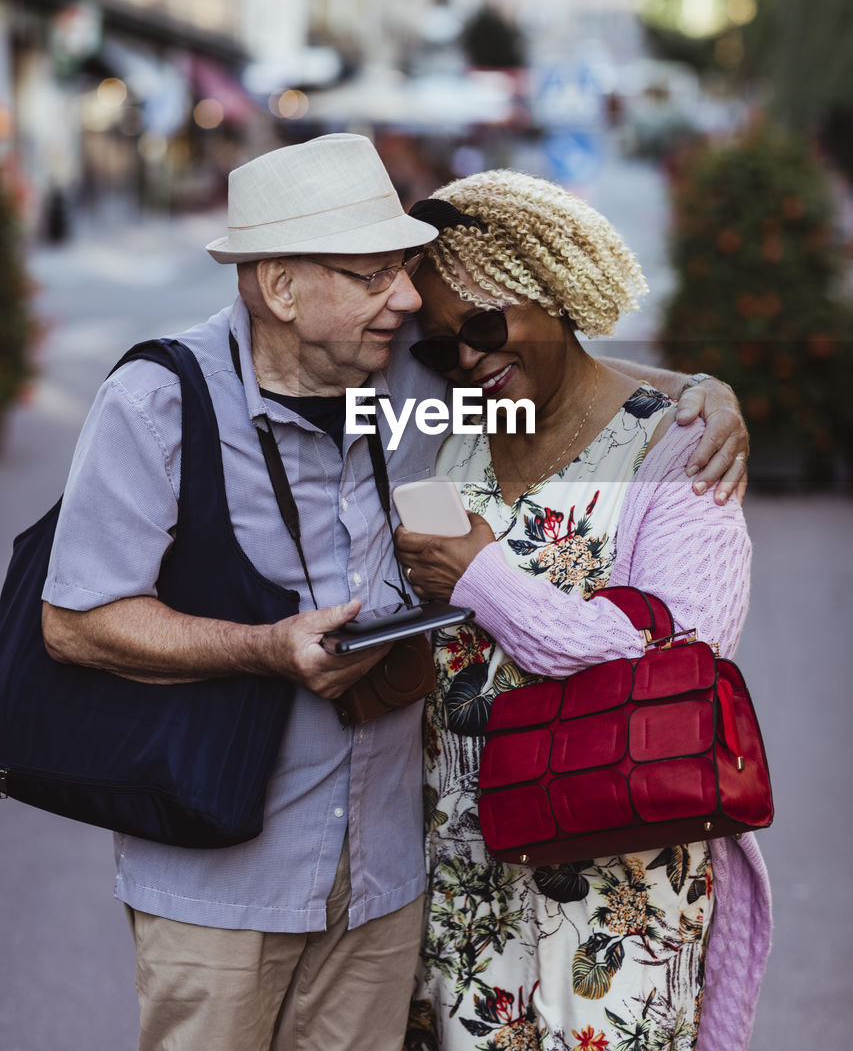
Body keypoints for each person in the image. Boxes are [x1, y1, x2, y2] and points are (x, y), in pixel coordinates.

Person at [40, 135, 747, 1051]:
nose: (408, 302)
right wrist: (263, 650)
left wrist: (706, 393)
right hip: (226, 880)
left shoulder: (417, 380)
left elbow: (581, 381)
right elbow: (74, 623)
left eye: (404, 273)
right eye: (374, 274)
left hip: (393, 887)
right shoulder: (160, 403)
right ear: (283, 289)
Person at [395, 172, 770, 1051]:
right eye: (440, 347)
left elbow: (676, 660)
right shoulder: (442, 429)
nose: (467, 361)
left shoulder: (678, 450)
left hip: (621, 887)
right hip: (462, 881)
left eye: (485, 327)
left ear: (554, 294)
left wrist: (479, 574)